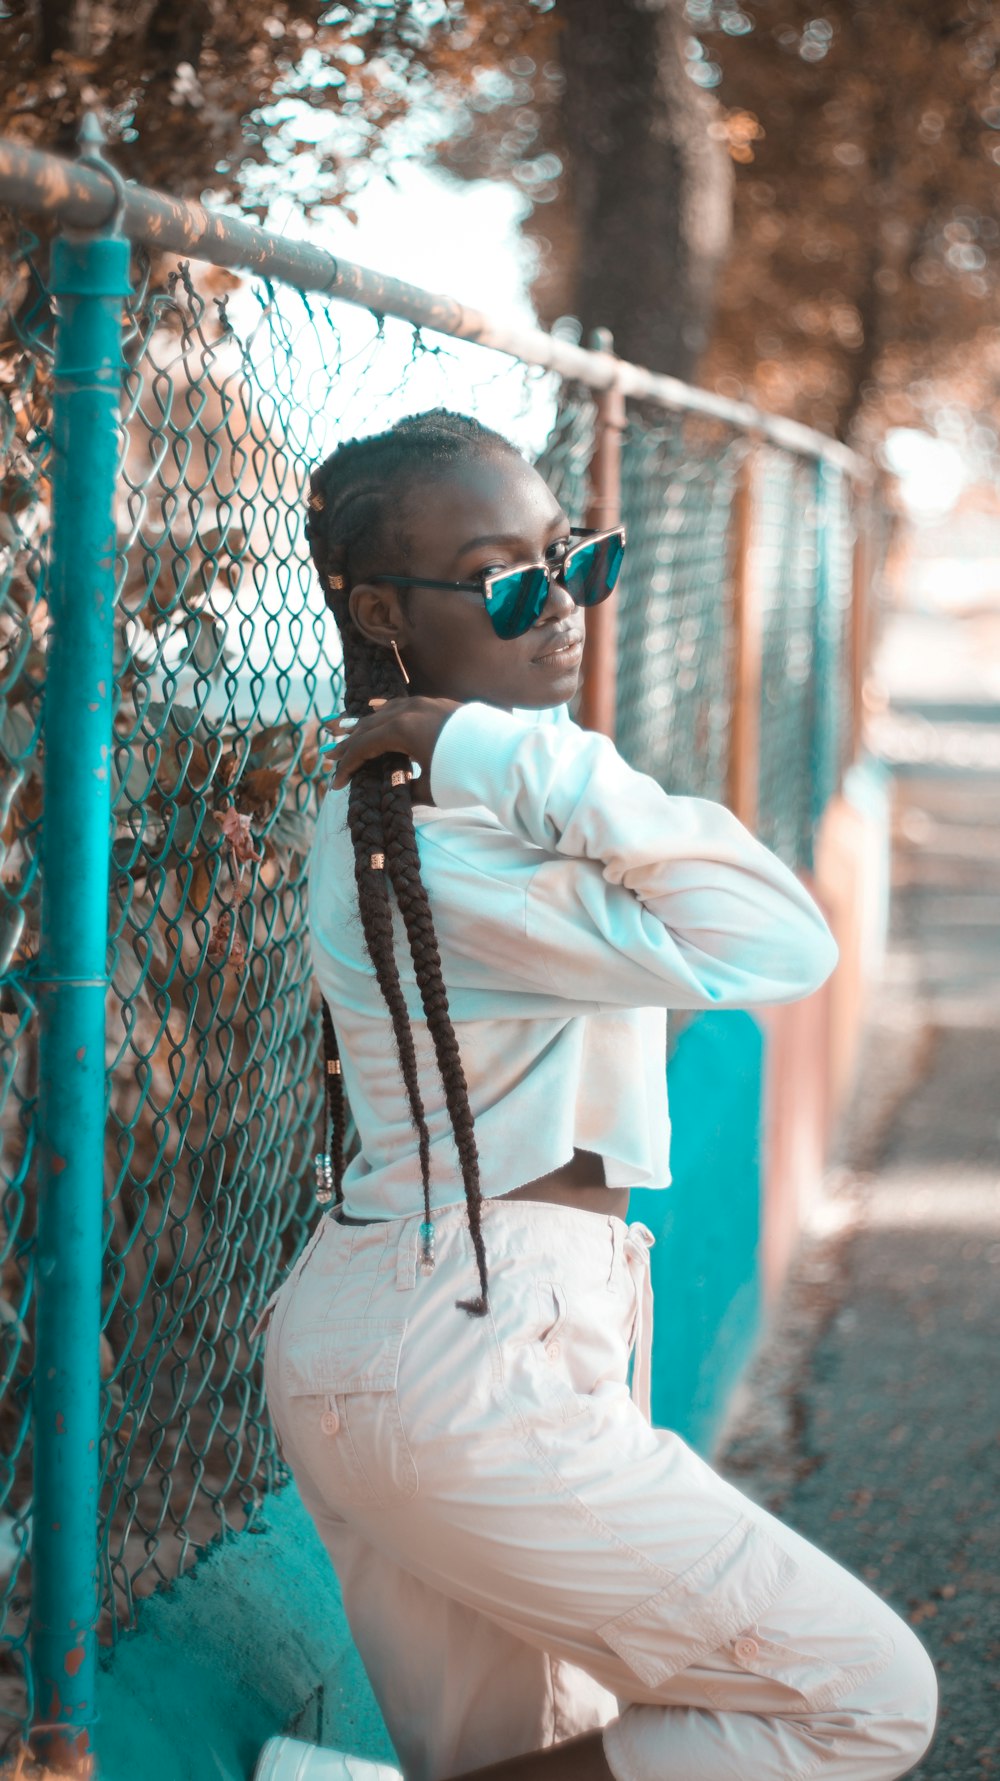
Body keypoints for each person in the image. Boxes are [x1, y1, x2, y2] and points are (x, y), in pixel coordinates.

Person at [251, 410, 938, 1781]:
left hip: (447, 1326)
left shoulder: (473, 812)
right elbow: (779, 938)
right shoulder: (445, 843)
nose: (557, 606)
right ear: (383, 608)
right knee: (863, 1695)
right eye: (507, 579)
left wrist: (500, 757)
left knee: (525, 1754)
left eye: (573, 559)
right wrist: (509, 752)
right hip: (461, 1355)